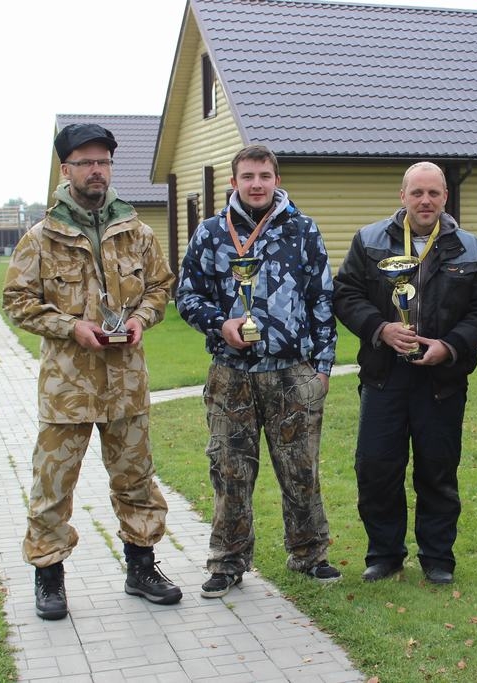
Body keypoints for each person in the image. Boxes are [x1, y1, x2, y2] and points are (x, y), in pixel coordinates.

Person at [3, 123, 182, 620]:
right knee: (53, 486)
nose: (97, 170)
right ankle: (49, 578)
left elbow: (160, 287)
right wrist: (69, 327)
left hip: (126, 385)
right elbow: (17, 301)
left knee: (137, 480)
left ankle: (142, 568)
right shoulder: (41, 238)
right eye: (86, 162)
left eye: (103, 161)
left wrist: (143, 319)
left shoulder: (138, 232)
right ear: (67, 171)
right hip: (68, 389)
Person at [176, 144, 341, 598]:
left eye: (264, 176)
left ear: (276, 179)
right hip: (231, 372)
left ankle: (309, 554)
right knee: (229, 471)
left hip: (292, 370)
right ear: (234, 182)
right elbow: (186, 296)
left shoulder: (303, 230)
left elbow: (323, 299)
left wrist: (322, 367)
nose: (256, 184)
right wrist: (220, 324)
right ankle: (227, 562)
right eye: (247, 177)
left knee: (300, 469)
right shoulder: (211, 233)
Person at [333, 162, 477, 585]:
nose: (425, 201)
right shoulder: (369, 240)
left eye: (434, 193)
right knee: (376, 468)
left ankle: (437, 557)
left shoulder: (471, 249)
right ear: (402, 195)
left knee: (438, 470)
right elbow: (346, 294)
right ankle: (385, 554)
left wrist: (450, 346)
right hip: (383, 375)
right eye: (417, 193)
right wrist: (380, 328)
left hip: (441, 380)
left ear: (446, 197)